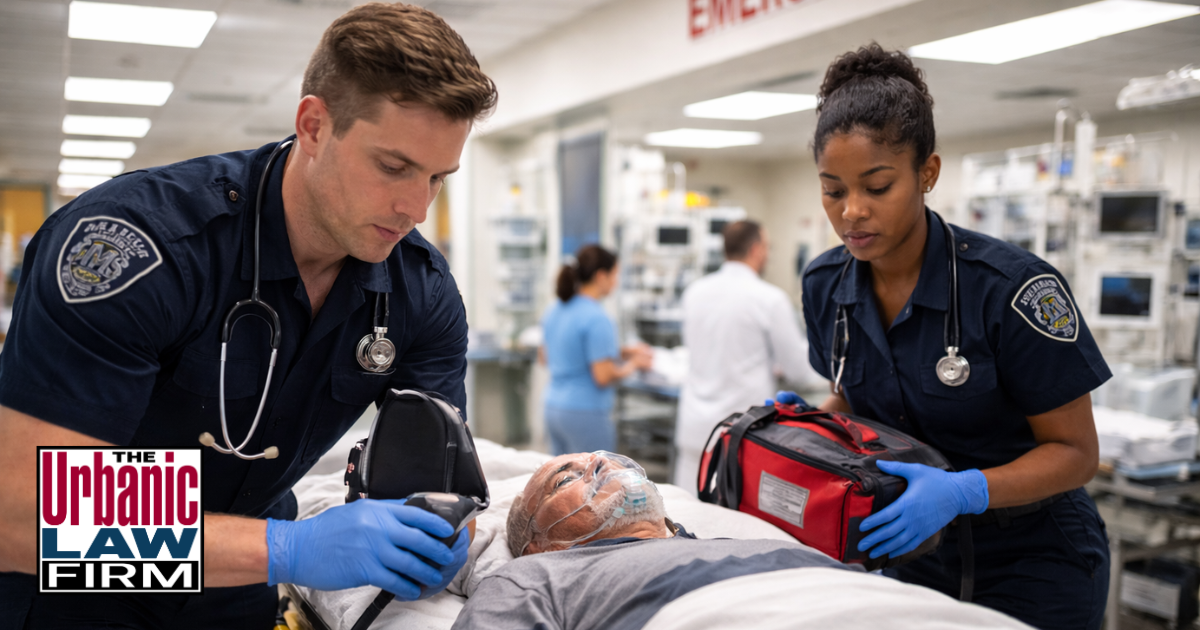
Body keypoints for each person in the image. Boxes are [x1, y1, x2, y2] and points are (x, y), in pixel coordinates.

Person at [0, 4, 497, 628]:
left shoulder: (418, 291)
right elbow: (21, 516)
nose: (416, 208)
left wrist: (439, 529)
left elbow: (436, 480)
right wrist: (289, 548)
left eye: (438, 178)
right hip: (76, 595)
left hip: (236, 592)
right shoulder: (142, 250)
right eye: (393, 167)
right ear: (313, 126)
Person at [778, 43, 1111, 630]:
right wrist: (809, 429)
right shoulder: (825, 285)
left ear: (927, 173)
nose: (851, 211)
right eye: (833, 190)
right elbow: (853, 398)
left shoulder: (1010, 288)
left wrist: (964, 491)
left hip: (1034, 561)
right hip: (911, 552)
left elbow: (1077, 454)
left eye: (877, 187)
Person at [452, 451, 1032, 630]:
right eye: (566, 478)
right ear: (541, 543)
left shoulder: (740, 542)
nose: (601, 465)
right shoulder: (535, 575)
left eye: (606, 458)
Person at [674, 220, 822, 494]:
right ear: (756, 249)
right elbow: (799, 370)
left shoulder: (694, 292)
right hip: (740, 434)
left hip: (695, 428)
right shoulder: (769, 299)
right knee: (731, 517)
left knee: (684, 511)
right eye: (767, 247)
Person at [540, 244, 652, 455]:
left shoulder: (555, 309)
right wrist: (634, 364)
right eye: (615, 275)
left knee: (563, 475)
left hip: (552, 408)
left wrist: (625, 352)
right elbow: (603, 376)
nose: (616, 282)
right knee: (596, 475)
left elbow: (546, 356)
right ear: (601, 276)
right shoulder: (597, 317)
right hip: (584, 413)